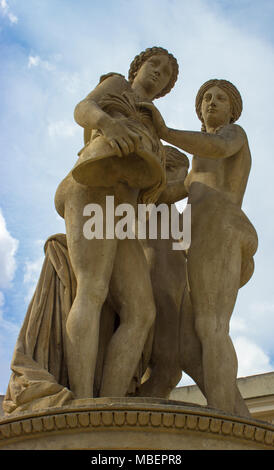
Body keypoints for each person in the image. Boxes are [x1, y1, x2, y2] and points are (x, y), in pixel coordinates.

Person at [54, 47, 179, 399]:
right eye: (154, 65)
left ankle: (109, 404)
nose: (159, 73)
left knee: (142, 311)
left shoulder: (154, 123)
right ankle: (82, 402)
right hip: (94, 187)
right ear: (137, 68)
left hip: (124, 212)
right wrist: (108, 123)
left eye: (166, 74)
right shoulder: (117, 85)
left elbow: (159, 188)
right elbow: (83, 109)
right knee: (92, 289)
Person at [142, 79, 258, 417]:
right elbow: (163, 194)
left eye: (221, 98)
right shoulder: (195, 172)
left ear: (232, 110)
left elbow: (217, 148)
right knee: (191, 348)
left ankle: (225, 424)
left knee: (211, 327)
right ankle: (240, 417)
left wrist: (162, 130)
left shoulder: (234, 135)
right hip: (201, 244)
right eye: (206, 98)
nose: (212, 102)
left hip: (222, 227)